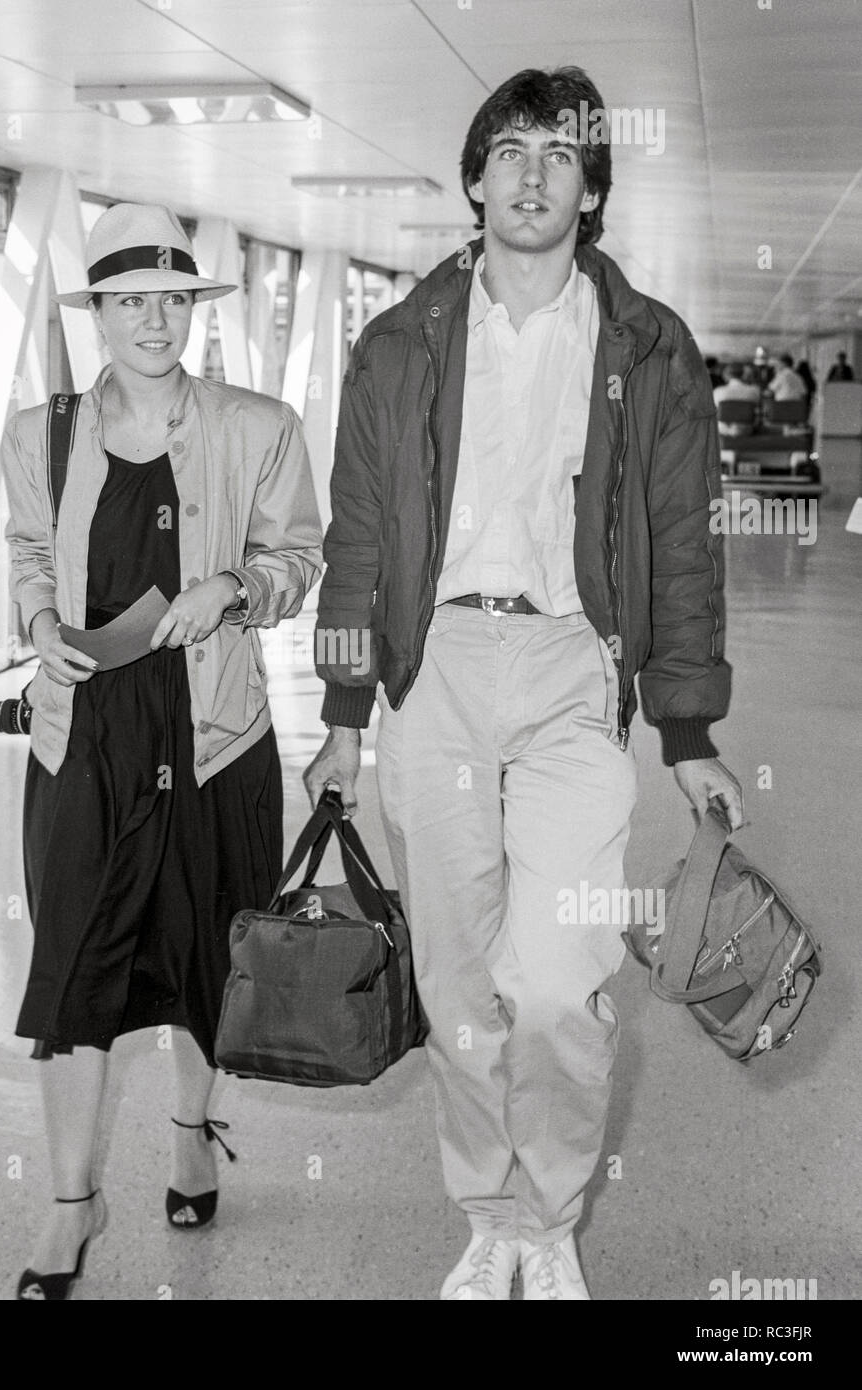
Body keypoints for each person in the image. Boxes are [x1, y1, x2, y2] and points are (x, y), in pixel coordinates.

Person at [304, 65, 743, 1301]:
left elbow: (680, 542)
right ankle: (488, 1212)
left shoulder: (648, 346)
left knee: (557, 975)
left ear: (590, 185)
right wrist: (344, 713)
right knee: (454, 980)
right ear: (472, 179)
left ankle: (549, 1218)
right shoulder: (395, 344)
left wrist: (689, 726)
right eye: (509, 149)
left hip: (567, 673)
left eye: (559, 152)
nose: (532, 171)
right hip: (431, 669)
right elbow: (356, 538)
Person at [3, 203, 322, 1300]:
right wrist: (40, 626)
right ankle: (68, 1202)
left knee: (205, 962)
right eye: (127, 299)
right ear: (97, 313)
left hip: (216, 736)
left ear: (192, 308)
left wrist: (233, 585)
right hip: (82, 739)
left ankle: (192, 1131)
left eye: (169, 299)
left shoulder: (257, 425)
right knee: (73, 970)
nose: (151, 319)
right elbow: (29, 553)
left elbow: (295, 556)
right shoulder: (40, 432)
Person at [713, 362, 761, 437]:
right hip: (746, 430)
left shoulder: (718, 391)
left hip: (722, 430)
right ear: (744, 375)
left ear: (726, 375)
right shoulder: (754, 391)